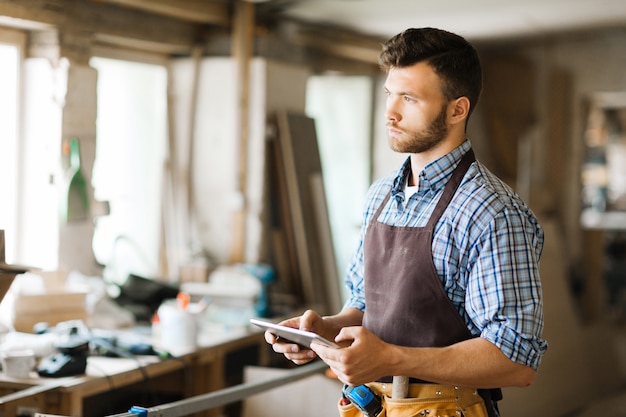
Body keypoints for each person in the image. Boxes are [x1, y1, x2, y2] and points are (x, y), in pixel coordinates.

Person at [265, 27, 548, 417]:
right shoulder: (381, 196)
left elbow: (515, 361)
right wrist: (323, 331)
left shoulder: (492, 211)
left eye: (410, 98)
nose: (390, 112)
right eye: (389, 94)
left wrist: (392, 359)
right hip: (371, 406)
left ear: (457, 109)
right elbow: (367, 307)